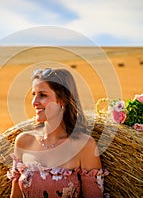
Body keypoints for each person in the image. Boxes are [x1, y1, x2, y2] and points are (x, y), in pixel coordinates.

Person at [7, 68, 108, 198]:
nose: (34, 102)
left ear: (62, 100)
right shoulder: (23, 141)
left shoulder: (85, 146)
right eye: (34, 94)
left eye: (42, 95)